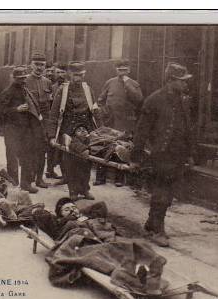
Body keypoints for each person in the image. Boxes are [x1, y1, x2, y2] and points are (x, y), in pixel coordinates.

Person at [32, 197, 167, 291]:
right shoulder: (60, 224)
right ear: (60, 215)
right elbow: (38, 214)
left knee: (133, 245)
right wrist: (69, 217)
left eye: (74, 207)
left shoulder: (87, 217)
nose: (72, 210)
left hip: (105, 238)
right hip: (83, 241)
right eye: (67, 209)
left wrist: (80, 213)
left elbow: (101, 205)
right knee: (100, 253)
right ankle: (127, 275)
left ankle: (148, 269)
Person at [130, 62, 196, 247]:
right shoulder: (154, 100)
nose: (185, 85)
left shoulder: (184, 100)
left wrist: (190, 155)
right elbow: (141, 131)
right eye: (182, 81)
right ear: (171, 80)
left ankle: (152, 224)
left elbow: (188, 129)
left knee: (169, 193)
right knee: (162, 192)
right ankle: (157, 230)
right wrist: (135, 158)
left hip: (178, 154)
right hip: (161, 155)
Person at [48, 61, 100, 197]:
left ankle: (85, 189)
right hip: (69, 129)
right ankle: (73, 190)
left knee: (86, 159)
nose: (78, 78)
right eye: (75, 75)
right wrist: (52, 135)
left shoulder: (88, 89)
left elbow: (94, 110)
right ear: (70, 74)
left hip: (86, 129)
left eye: (81, 75)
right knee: (70, 162)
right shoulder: (63, 90)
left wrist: (100, 130)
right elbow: (54, 114)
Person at [95, 59, 143, 187]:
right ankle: (100, 178)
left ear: (129, 70)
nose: (122, 72)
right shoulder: (109, 83)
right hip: (110, 121)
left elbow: (139, 100)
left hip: (125, 122)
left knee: (121, 148)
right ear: (115, 70)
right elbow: (100, 100)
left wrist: (127, 83)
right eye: (119, 69)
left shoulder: (134, 84)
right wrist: (104, 111)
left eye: (124, 70)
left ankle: (119, 178)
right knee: (103, 146)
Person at [0, 66, 44, 194]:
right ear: (14, 78)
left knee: (28, 156)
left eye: (24, 78)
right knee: (12, 157)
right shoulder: (7, 92)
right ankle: (14, 184)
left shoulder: (25, 90)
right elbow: (0, 112)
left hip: (25, 129)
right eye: (20, 78)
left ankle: (26, 184)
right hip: (12, 129)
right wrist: (16, 110)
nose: (23, 80)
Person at [25, 51, 53, 188]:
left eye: (42, 65)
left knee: (42, 152)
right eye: (36, 64)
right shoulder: (25, 81)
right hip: (30, 123)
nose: (39, 67)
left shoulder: (48, 82)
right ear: (31, 65)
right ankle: (29, 179)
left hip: (43, 124)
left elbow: (50, 104)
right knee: (29, 151)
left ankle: (39, 179)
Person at [64, 124, 94, 200]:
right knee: (73, 178)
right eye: (79, 130)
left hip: (86, 163)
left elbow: (93, 146)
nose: (82, 131)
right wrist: (84, 149)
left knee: (86, 177)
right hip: (74, 163)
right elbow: (74, 145)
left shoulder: (89, 140)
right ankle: (73, 192)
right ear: (74, 133)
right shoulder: (73, 139)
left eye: (84, 129)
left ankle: (85, 191)